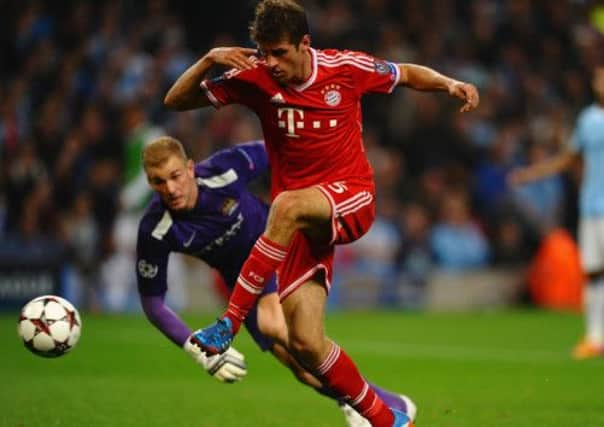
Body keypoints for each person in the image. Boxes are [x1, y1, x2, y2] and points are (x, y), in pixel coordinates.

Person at [165, 1, 478, 425]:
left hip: (352, 198)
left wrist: (449, 83)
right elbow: (175, 101)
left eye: (279, 52)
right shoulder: (254, 79)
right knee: (306, 343)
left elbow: (404, 73)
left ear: (304, 44)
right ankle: (389, 419)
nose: (270, 63)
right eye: (263, 53)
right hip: (302, 224)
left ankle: (228, 323)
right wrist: (208, 60)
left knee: (286, 203)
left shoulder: (344, 68)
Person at [137, 135, 416, 426]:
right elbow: (152, 303)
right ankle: (387, 404)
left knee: (284, 331)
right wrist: (197, 351)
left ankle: (369, 409)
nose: (170, 188)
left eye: (175, 176)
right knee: (300, 367)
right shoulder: (156, 229)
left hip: (279, 246)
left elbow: (282, 147)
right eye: (158, 182)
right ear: (149, 183)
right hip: (243, 283)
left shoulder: (224, 170)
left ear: (190, 168)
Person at [509, 66, 604, 360]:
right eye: (600, 77)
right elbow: (568, 158)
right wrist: (532, 174)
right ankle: (595, 337)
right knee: (592, 273)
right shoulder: (588, 119)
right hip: (591, 207)